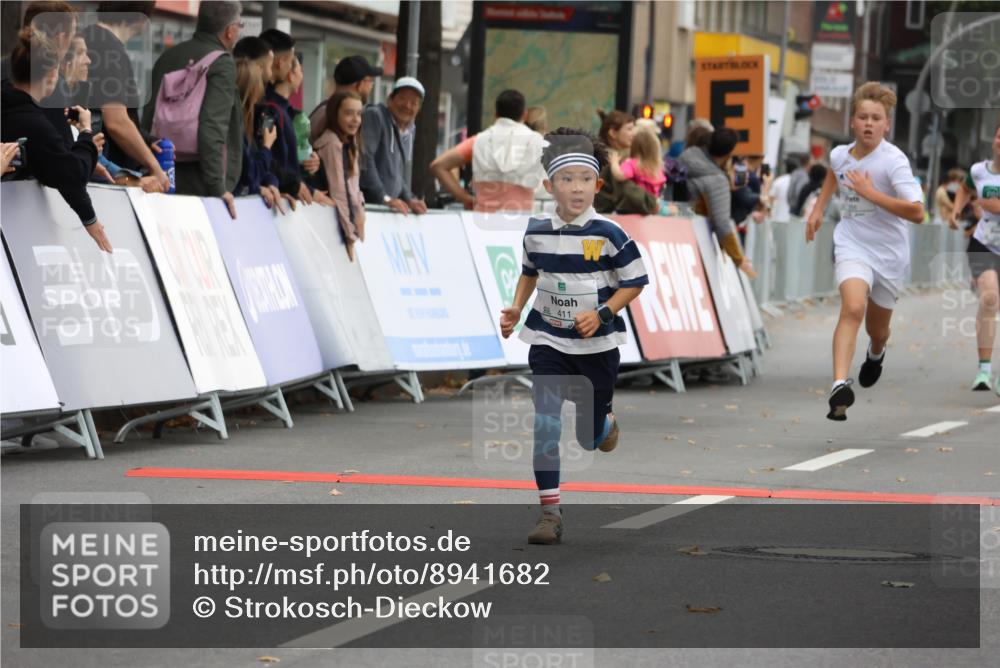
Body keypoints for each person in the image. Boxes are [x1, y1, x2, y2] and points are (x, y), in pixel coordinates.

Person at [498, 127, 648, 545]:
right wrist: (516, 308)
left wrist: (602, 313)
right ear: (550, 186)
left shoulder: (609, 233)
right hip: (548, 339)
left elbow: (635, 281)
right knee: (546, 421)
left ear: (598, 185)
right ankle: (550, 514)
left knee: (588, 436)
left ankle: (604, 423)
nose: (577, 188)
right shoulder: (535, 232)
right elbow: (530, 272)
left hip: (596, 347)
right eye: (567, 180)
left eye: (585, 179)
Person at [805, 82, 925, 421]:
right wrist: (817, 209)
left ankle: (876, 352)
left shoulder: (894, 162)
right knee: (852, 306)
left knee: (878, 329)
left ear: (887, 125)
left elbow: (918, 212)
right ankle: (839, 385)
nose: (869, 123)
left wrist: (872, 194)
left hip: (889, 254)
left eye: (877, 118)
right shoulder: (840, 154)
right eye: (863, 117)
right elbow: (834, 173)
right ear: (853, 122)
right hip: (852, 243)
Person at [1, 30, 112, 253]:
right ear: (52, 73)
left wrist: (88, 217)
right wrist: (86, 133)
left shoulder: (21, 112)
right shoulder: (34, 123)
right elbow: (71, 173)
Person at [141, 0, 242, 214]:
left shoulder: (168, 56)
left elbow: (149, 115)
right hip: (200, 182)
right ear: (231, 31)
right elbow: (212, 126)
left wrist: (146, 165)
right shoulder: (221, 63)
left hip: (161, 170)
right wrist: (218, 187)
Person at [82, 1, 169, 192]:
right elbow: (116, 122)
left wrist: (145, 140)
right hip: (108, 181)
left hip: (90, 169)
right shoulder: (110, 49)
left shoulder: (85, 38)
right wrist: (155, 168)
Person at [429, 89, 545, 212]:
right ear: (524, 115)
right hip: (521, 222)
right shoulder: (538, 143)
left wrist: (465, 198)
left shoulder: (478, 141)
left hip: (483, 219)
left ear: (496, 114)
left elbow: (438, 166)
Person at [949, 122, 1000, 394]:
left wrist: (995, 206)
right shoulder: (979, 171)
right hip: (984, 244)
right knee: (989, 298)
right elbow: (965, 190)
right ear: (994, 140)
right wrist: (957, 210)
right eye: (999, 135)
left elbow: (990, 204)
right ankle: (984, 370)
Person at [678, 127, 756, 277]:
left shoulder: (686, 157)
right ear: (728, 153)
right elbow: (722, 223)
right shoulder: (717, 181)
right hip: (697, 244)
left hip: (673, 235)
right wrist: (740, 260)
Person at [360, 76, 428, 214]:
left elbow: (396, 174)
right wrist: (384, 198)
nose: (407, 106)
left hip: (384, 210)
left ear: (418, 109)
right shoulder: (375, 116)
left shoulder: (409, 130)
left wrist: (409, 199)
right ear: (390, 99)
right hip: (367, 208)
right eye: (402, 98)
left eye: (414, 102)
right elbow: (365, 159)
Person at [314, 91, 367, 261]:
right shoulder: (331, 143)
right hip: (328, 226)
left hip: (342, 225)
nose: (355, 120)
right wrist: (350, 235)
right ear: (334, 114)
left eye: (359, 114)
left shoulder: (350, 143)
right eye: (349, 113)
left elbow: (354, 187)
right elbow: (339, 192)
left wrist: (360, 215)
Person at [232, 55, 282, 213]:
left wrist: (270, 183)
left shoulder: (246, 122)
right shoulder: (234, 126)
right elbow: (250, 173)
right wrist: (266, 147)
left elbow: (258, 172)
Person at [594, 109, 657, 215]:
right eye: (629, 129)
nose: (634, 134)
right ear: (613, 133)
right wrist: (655, 204)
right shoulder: (617, 159)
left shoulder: (600, 155)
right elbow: (630, 194)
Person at [308, 55, 382, 142]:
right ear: (360, 85)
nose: (371, 86)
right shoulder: (329, 115)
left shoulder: (325, 111)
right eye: (370, 81)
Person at [608, 127, 665, 198]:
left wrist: (614, 163)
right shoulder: (657, 168)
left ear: (634, 147)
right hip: (651, 204)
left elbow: (620, 175)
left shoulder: (632, 164)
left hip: (636, 204)